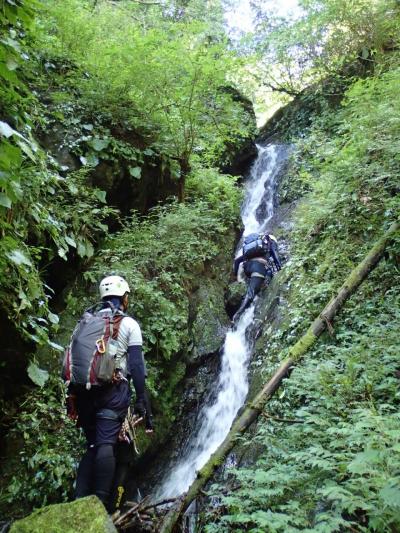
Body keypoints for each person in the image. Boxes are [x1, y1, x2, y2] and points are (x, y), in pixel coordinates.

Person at [65, 275, 153, 511]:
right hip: (112, 393)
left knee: (93, 445)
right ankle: (101, 507)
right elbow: (136, 367)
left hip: (83, 394)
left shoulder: (87, 322)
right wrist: (142, 400)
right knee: (105, 444)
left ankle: (78, 502)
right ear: (124, 297)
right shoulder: (129, 324)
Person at [232, 233, 281, 321]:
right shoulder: (271, 243)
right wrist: (280, 269)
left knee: (265, 275)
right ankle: (237, 315)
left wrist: (236, 276)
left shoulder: (254, 249)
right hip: (257, 269)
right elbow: (276, 258)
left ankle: (261, 286)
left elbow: (237, 261)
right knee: (251, 294)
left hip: (247, 268)